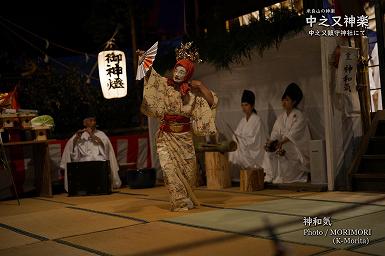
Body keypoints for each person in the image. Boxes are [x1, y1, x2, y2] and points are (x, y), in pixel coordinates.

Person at [139, 42, 218, 211]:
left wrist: (200, 86)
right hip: (165, 138)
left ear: (187, 74)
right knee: (169, 170)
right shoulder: (164, 85)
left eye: (183, 72)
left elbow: (212, 102)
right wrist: (144, 60)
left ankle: (186, 197)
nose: (178, 74)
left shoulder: (192, 96)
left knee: (188, 172)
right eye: (177, 70)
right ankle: (179, 202)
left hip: (185, 140)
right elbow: (150, 77)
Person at [263, 83, 310, 184]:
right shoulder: (281, 117)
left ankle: (285, 176)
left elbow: (293, 135)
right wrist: (271, 143)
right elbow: (275, 133)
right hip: (281, 145)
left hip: (295, 149)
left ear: (294, 102)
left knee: (285, 148)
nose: (284, 102)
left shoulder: (299, 116)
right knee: (268, 151)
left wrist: (280, 143)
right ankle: (270, 175)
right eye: (283, 99)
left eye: (287, 100)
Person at [60, 116, 121, 192]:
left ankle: (102, 187)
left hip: (98, 159)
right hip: (83, 160)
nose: (94, 122)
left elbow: (105, 147)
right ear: (84, 123)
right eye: (91, 120)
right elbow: (71, 150)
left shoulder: (101, 133)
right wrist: (76, 138)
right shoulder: (80, 134)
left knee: (99, 160)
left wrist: (92, 135)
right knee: (83, 161)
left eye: (94, 120)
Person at [229, 90, 268, 178]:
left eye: (246, 105)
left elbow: (255, 141)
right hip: (243, 148)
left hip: (253, 151)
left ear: (252, 105)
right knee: (233, 150)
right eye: (242, 105)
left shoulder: (257, 120)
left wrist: (241, 140)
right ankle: (237, 176)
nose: (244, 108)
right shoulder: (242, 121)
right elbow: (236, 134)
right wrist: (236, 138)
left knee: (237, 150)